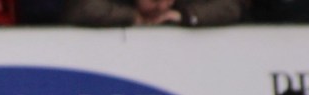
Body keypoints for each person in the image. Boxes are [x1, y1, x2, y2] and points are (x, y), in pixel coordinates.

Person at [62, 0, 247, 26]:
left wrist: (184, 16)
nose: (161, 7)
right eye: (153, 1)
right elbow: (83, 9)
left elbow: (230, 7)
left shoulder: (178, 8)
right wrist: (132, 17)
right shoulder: (121, 6)